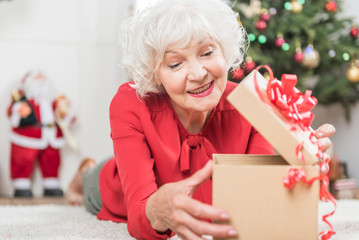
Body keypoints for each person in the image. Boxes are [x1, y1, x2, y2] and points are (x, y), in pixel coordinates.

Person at [66, 0, 336, 239]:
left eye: (207, 53)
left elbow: (256, 195)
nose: (197, 73)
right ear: (156, 73)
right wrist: (157, 209)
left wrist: (304, 153)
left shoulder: (250, 104)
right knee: (93, 182)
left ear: (225, 51)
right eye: (175, 64)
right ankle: (83, 173)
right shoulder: (131, 104)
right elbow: (138, 217)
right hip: (114, 188)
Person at [7, 71, 76, 198]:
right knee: (23, 159)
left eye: (43, 79)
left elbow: (67, 116)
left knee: (52, 160)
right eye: (37, 80)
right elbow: (12, 112)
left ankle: (51, 185)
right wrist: (19, 110)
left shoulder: (54, 100)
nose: (41, 82)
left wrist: (65, 111)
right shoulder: (24, 100)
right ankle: (21, 185)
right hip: (28, 137)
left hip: (51, 136)